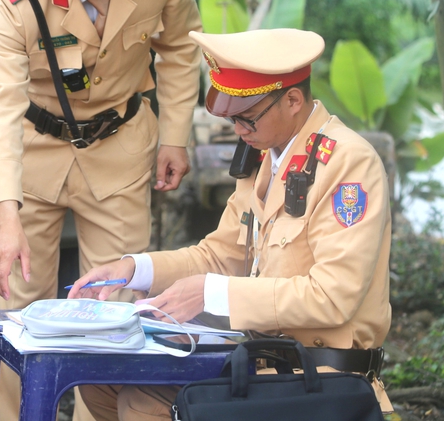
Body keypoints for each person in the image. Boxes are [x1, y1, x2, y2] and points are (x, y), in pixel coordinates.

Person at [69, 28, 394, 421]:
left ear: (293, 100)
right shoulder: (266, 158)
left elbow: (332, 296)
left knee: (143, 401)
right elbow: (218, 255)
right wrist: (133, 269)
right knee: (98, 381)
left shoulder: (347, 163)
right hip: (260, 362)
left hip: (322, 379)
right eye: (231, 118)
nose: (238, 130)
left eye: (247, 118)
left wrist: (211, 294)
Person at [0, 0, 203, 420]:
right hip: (34, 155)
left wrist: (175, 137)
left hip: (120, 149)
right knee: (21, 309)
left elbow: (181, 47)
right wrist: (6, 216)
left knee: (114, 309)